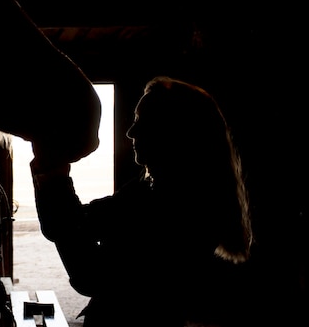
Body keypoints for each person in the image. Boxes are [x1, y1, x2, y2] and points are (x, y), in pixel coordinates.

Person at [29, 76, 253, 327]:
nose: (130, 131)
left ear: (176, 132)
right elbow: (75, 221)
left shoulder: (181, 207)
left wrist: (52, 177)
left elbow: (90, 275)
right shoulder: (146, 189)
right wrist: (51, 176)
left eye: (143, 122)